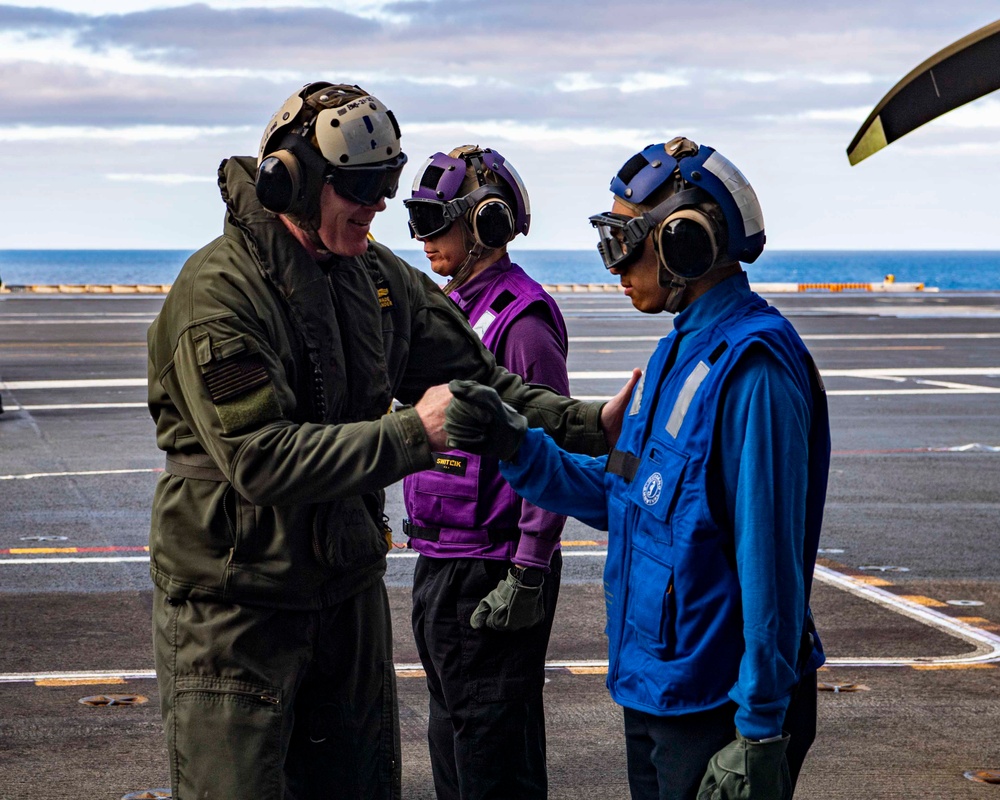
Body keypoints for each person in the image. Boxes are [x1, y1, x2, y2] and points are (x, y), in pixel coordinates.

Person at [145, 82, 613, 800]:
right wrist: (410, 434)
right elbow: (258, 458)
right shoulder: (219, 293)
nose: (379, 206)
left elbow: (481, 382)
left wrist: (590, 423)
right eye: (359, 187)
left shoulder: (374, 281)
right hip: (238, 607)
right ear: (292, 181)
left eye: (385, 185)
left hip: (345, 594)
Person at [442, 137, 831, 800]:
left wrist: (761, 729)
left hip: (717, 706)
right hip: (657, 689)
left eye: (627, 241)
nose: (614, 264)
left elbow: (771, 565)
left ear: (685, 243)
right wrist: (518, 446)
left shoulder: (754, 371)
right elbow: (624, 496)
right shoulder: (675, 356)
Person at [402, 145, 569, 799]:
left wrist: (527, 568)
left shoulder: (521, 324)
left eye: (435, 220)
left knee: (490, 760)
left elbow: (551, 446)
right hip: (444, 562)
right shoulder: (453, 314)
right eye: (417, 220)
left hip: (493, 572)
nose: (422, 238)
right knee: (457, 742)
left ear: (487, 225)